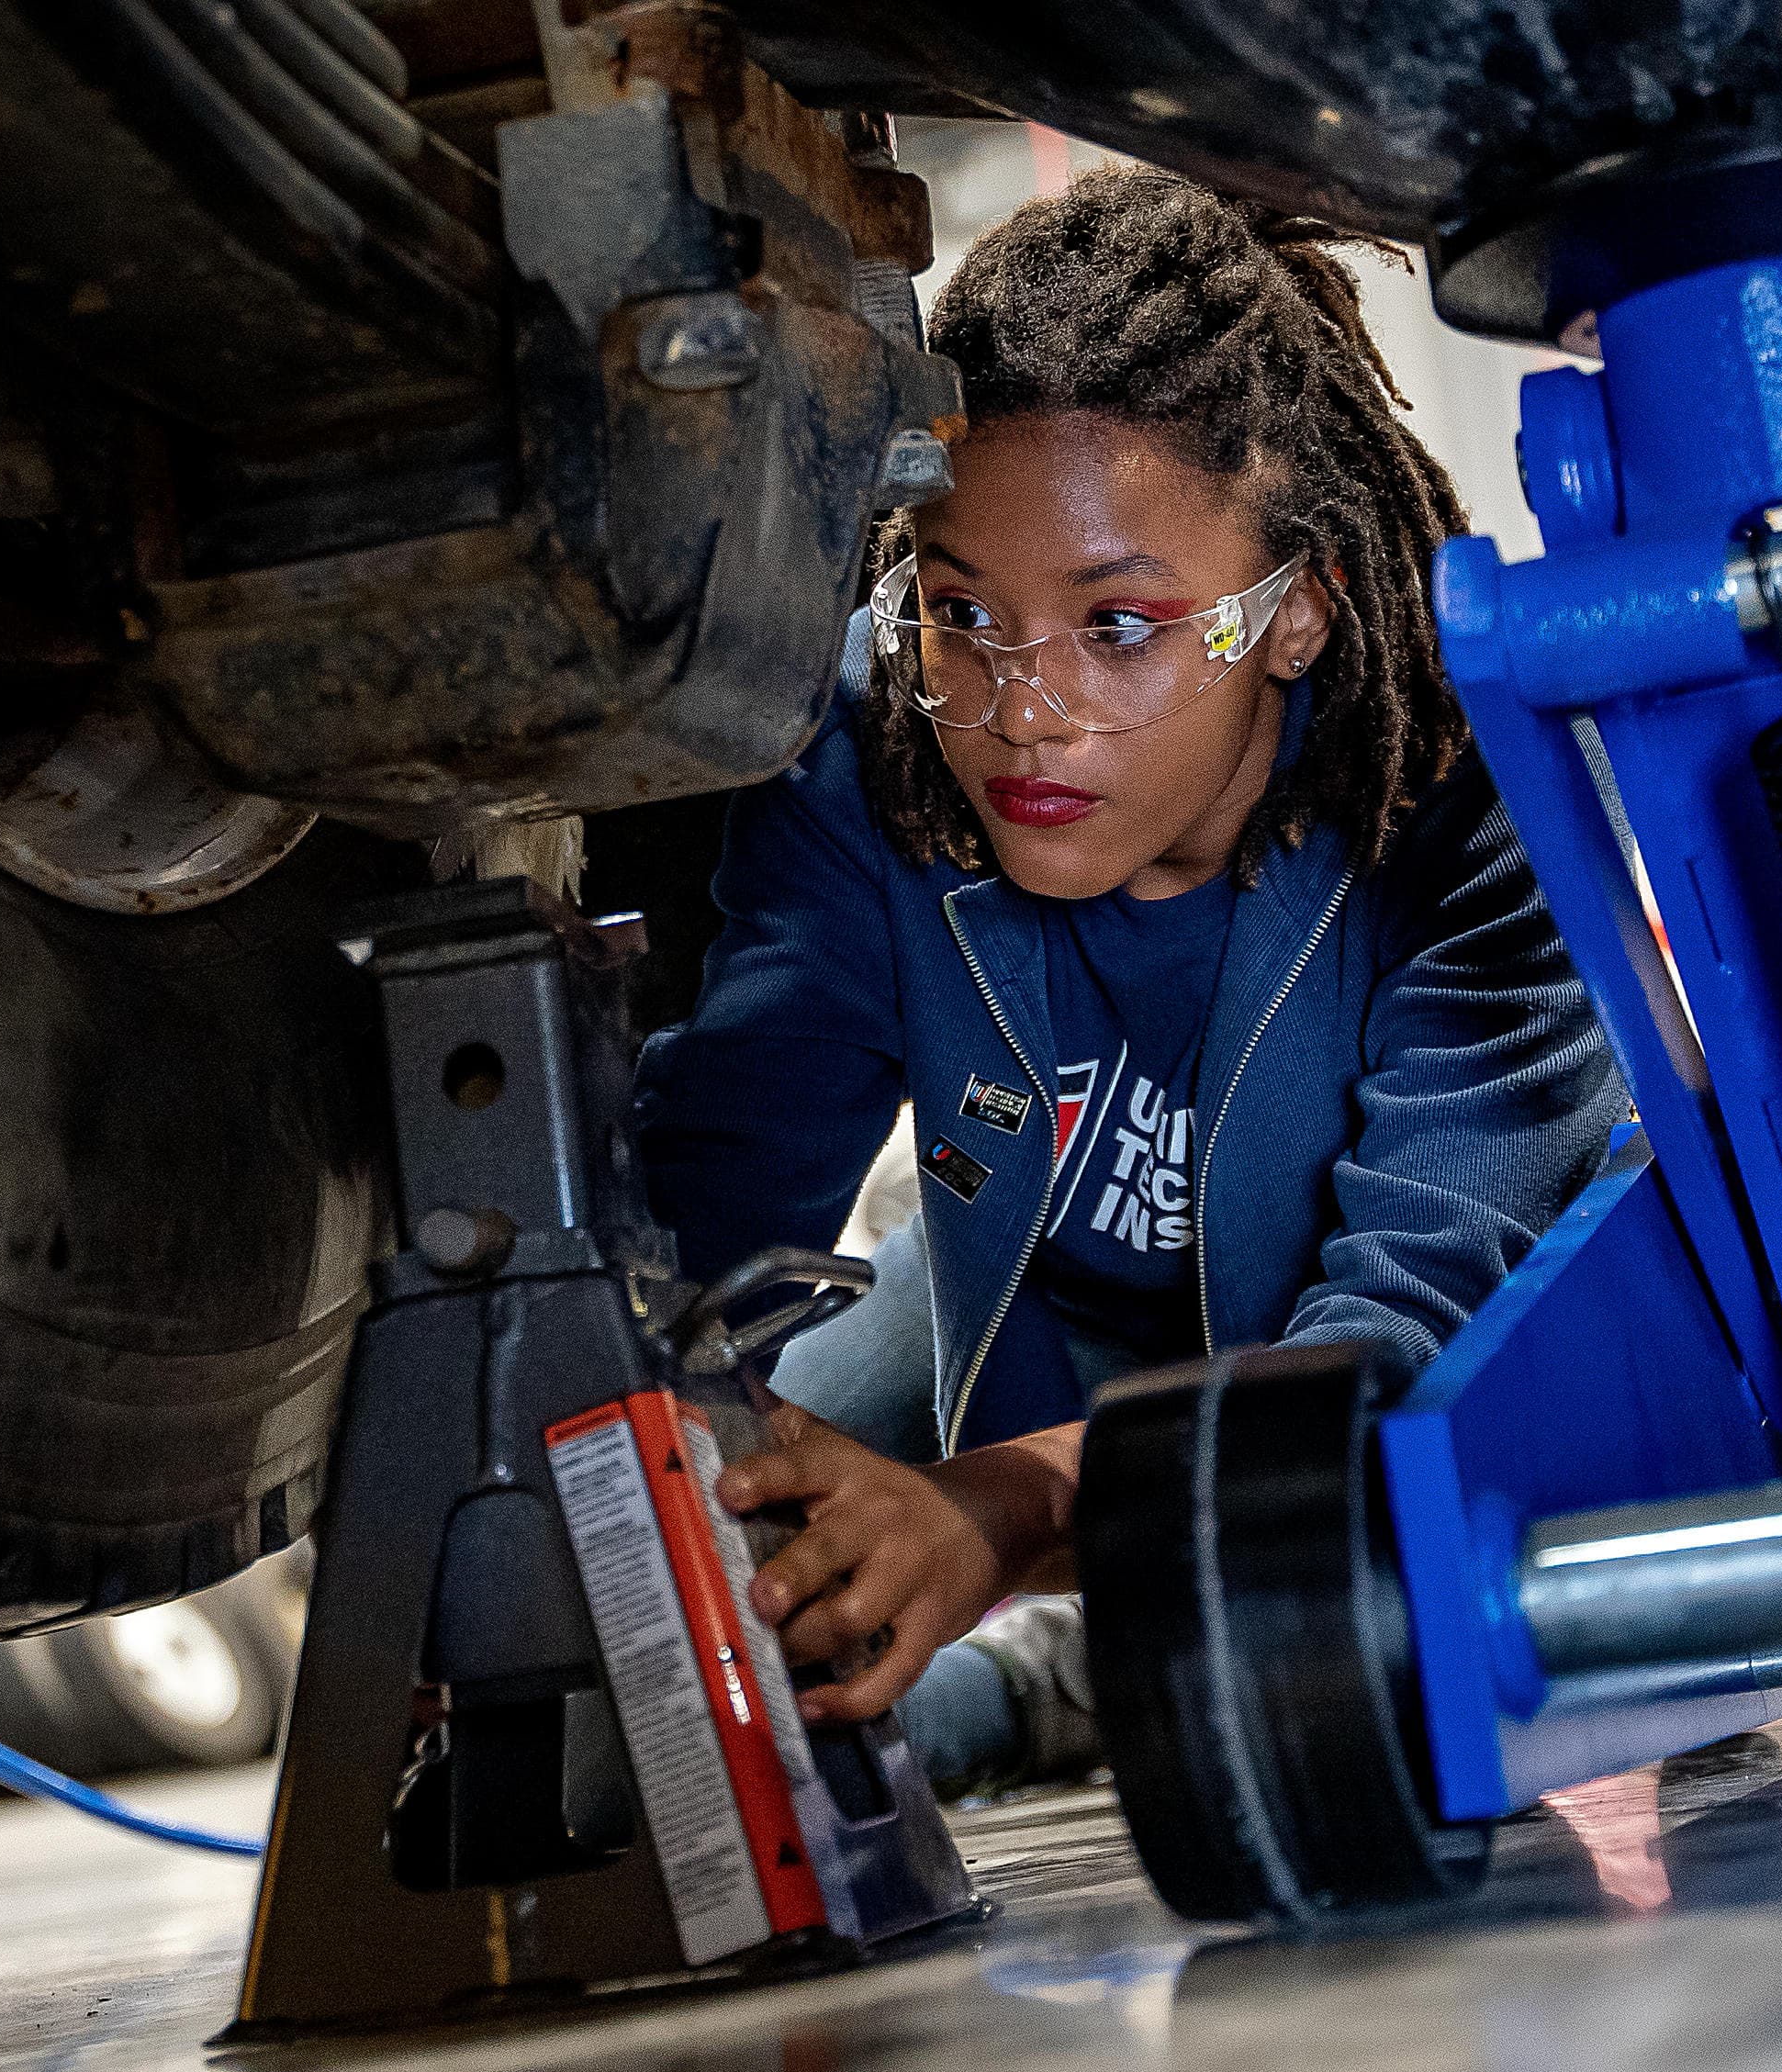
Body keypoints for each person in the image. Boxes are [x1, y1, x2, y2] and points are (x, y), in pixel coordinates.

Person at [631, 164, 1627, 1792]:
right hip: (1013, 1337)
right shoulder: (875, 783)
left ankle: (1044, 1680)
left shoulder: (1463, 800)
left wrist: (997, 1510)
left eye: (1119, 627)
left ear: (1295, 616)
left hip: (1393, 1405)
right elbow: (710, 1207)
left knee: (1307, 1622)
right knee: (728, 1555)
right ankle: (1027, 1653)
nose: (1022, 710)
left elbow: (1401, 1350)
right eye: (964, 613)